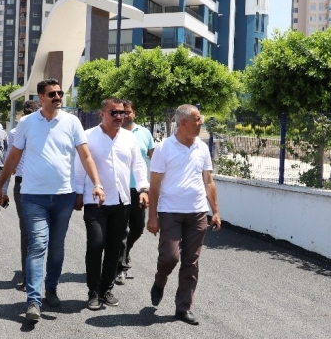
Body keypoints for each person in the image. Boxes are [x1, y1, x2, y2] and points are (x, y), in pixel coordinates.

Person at [0, 78, 105, 321]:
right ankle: (34, 300)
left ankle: (51, 288)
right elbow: (13, 157)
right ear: (41, 98)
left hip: (64, 195)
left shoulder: (72, 122)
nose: (57, 97)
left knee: (56, 246)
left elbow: (85, 157)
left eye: (60, 93)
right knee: (37, 245)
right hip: (33, 196)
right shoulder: (27, 123)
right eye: (52, 94)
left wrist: (96, 183)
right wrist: (0, 186)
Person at [146, 104, 222, 326]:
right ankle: (160, 281)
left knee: (191, 262)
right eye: (197, 119)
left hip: (197, 212)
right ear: (183, 123)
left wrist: (215, 211)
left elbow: (208, 181)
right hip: (170, 211)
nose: (201, 123)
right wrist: (153, 217)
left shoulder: (202, 148)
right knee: (170, 257)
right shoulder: (163, 148)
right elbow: (154, 185)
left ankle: (183, 308)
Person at [75, 97, 149, 310]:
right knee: (96, 244)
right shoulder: (88, 136)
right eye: (114, 112)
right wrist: (78, 193)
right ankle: (93, 291)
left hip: (122, 201)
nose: (119, 116)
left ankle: (105, 290)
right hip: (95, 202)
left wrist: (143, 189)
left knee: (114, 248)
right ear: (102, 114)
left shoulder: (129, 138)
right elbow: (79, 166)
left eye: (122, 113)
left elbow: (138, 165)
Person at [116, 99, 155, 285]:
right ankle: (120, 267)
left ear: (134, 113)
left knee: (138, 228)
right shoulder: (114, 133)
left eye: (128, 112)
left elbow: (154, 158)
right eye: (121, 112)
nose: (124, 115)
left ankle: (125, 253)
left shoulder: (144, 133)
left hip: (139, 191)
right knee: (121, 230)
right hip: (119, 189)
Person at [3, 100, 39, 291]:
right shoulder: (15, 133)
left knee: (40, 234)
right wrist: (2, 190)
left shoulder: (45, 131)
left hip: (43, 186)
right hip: (23, 184)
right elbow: (10, 160)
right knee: (27, 231)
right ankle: (28, 277)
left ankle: (37, 273)